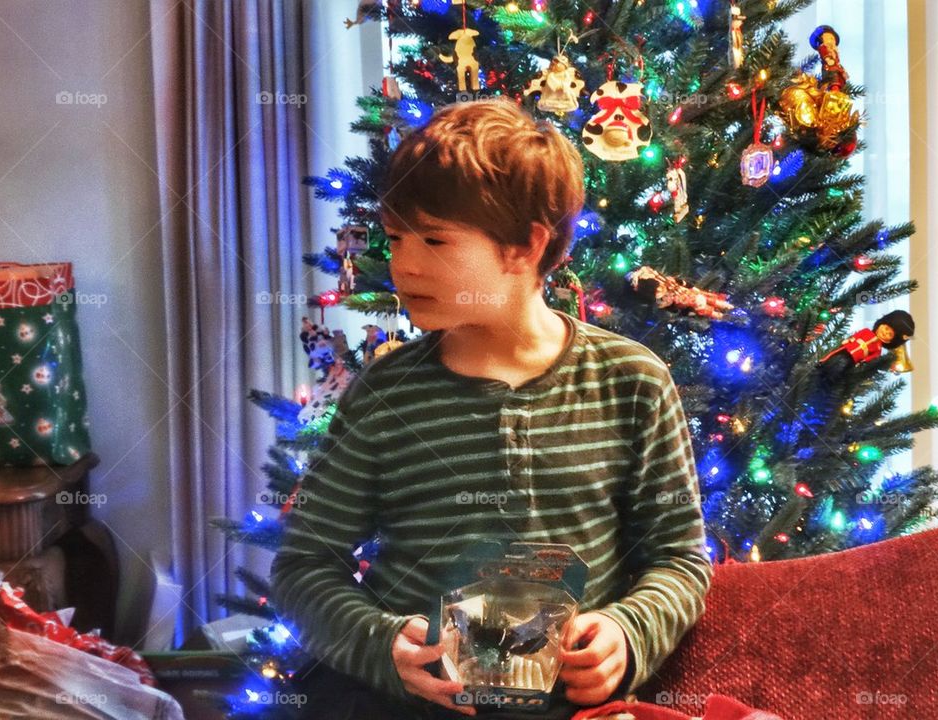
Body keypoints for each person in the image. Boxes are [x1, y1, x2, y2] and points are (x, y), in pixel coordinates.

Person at [271, 97, 713, 719]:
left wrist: (628, 633)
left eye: (434, 239)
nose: (404, 262)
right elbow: (305, 564)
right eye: (396, 237)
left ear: (524, 247)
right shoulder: (386, 394)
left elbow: (679, 556)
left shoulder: (632, 380)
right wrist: (380, 645)